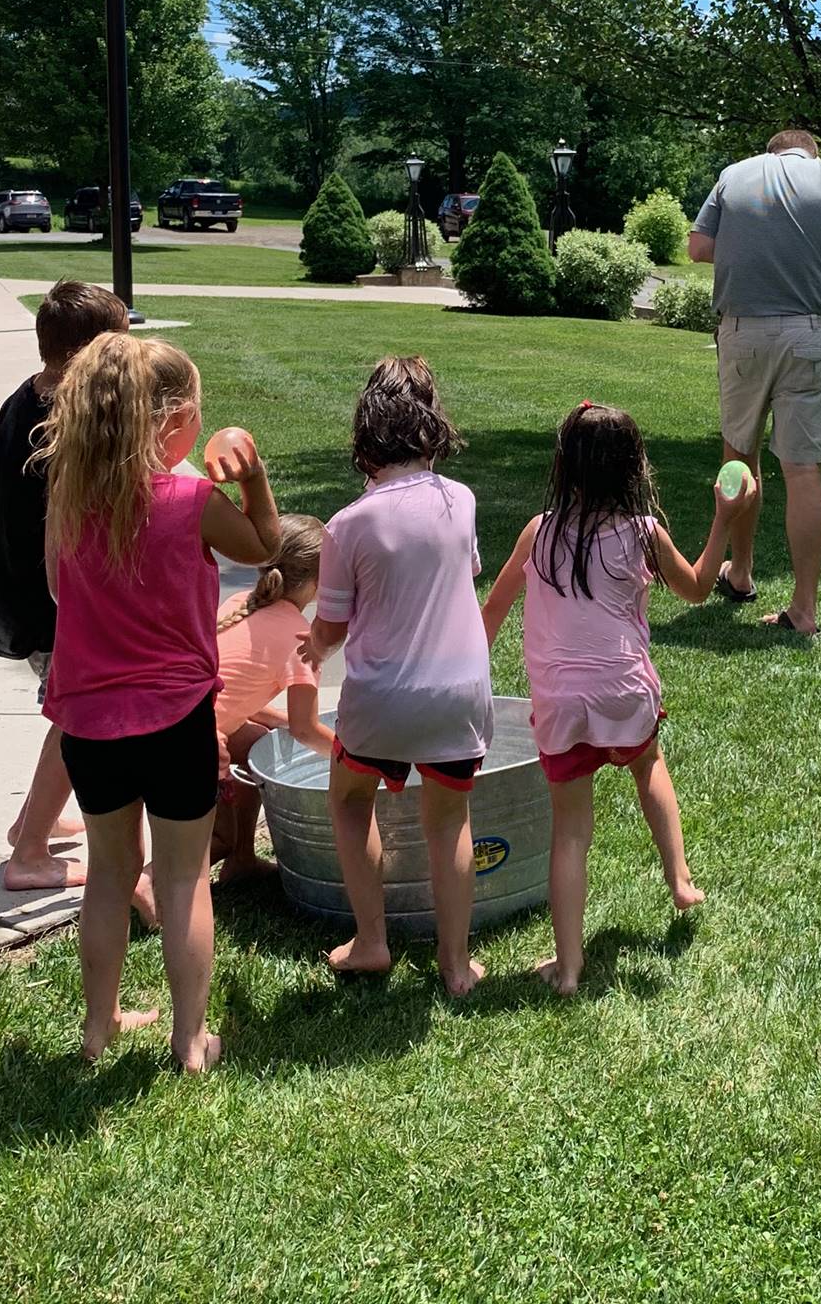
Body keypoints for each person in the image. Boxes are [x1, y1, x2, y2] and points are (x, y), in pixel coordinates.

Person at [37, 334, 280, 1070]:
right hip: (174, 719)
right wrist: (257, 476)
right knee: (180, 879)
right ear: (171, 423)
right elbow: (266, 548)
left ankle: (98, 1026)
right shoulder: (194, 500)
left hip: (88, 722)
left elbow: (55, 590)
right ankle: (190, 1040)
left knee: (110, 873)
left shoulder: (69, 498)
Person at [482, 402, 742, 995]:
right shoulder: (642, 535)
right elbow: (700, 588)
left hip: (558, 703)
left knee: (571, 829)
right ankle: (679, 880)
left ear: (564, 467)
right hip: (624, 691)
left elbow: (492, 611)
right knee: (648, 765)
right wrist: (724, 517)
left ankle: (569, 967)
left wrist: (468, 670)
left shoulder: (538, 530)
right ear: (633, 469)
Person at [300, 357, 493, 997]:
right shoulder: (460, 499)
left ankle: (372, 941)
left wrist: (313, 648)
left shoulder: (347, 526)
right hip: (459, 694)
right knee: (450, 821)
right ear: (432, 424)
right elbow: (459, 579)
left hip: (382, 700)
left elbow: (332, 626)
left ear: (366, 433)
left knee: (350, 800)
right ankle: (456, 964)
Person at [688, 128, 821, 635]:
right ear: (809, 153)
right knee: (803, 472)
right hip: (813, 334)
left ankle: (742, 572)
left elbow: (699, 246)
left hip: (743, 333)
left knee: (739, 456)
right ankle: (804, 609)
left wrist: (750, 245)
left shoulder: (733, 176)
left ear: (771, 151)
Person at [0, 279, 129, 891]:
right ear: (96, 353)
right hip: (49, 588)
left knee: (67, 702)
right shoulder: (73, 417)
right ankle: (30, 853)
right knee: (76, 709)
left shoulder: (27, 394)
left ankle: (29, 824)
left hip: (7, 571)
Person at [130, 514, 333, 925]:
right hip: (188, 743)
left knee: (256, 743)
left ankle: (241, 861)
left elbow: (236, 697)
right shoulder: (300, 640)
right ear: (320, 580)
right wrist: (355, 755)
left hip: (165, 724)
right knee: (216, 836)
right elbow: (306, 729)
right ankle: (149, 880)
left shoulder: (240, 604)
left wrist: (276, 725)